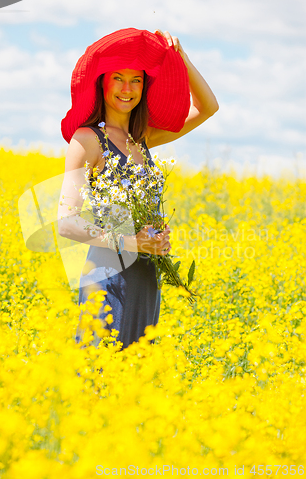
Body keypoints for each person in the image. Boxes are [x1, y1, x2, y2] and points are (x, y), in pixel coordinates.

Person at [58, 28, 219, 350]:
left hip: (145, 275)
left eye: (137, 80)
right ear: (102, 82)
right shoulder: (87, 140)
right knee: (99, 380)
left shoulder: (142, 138)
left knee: (135, 383)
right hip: (108, 276)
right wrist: (130, 241)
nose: (127, 89)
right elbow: (66, 222)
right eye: (118, 78)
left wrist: (181, 59)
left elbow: (208, 107)